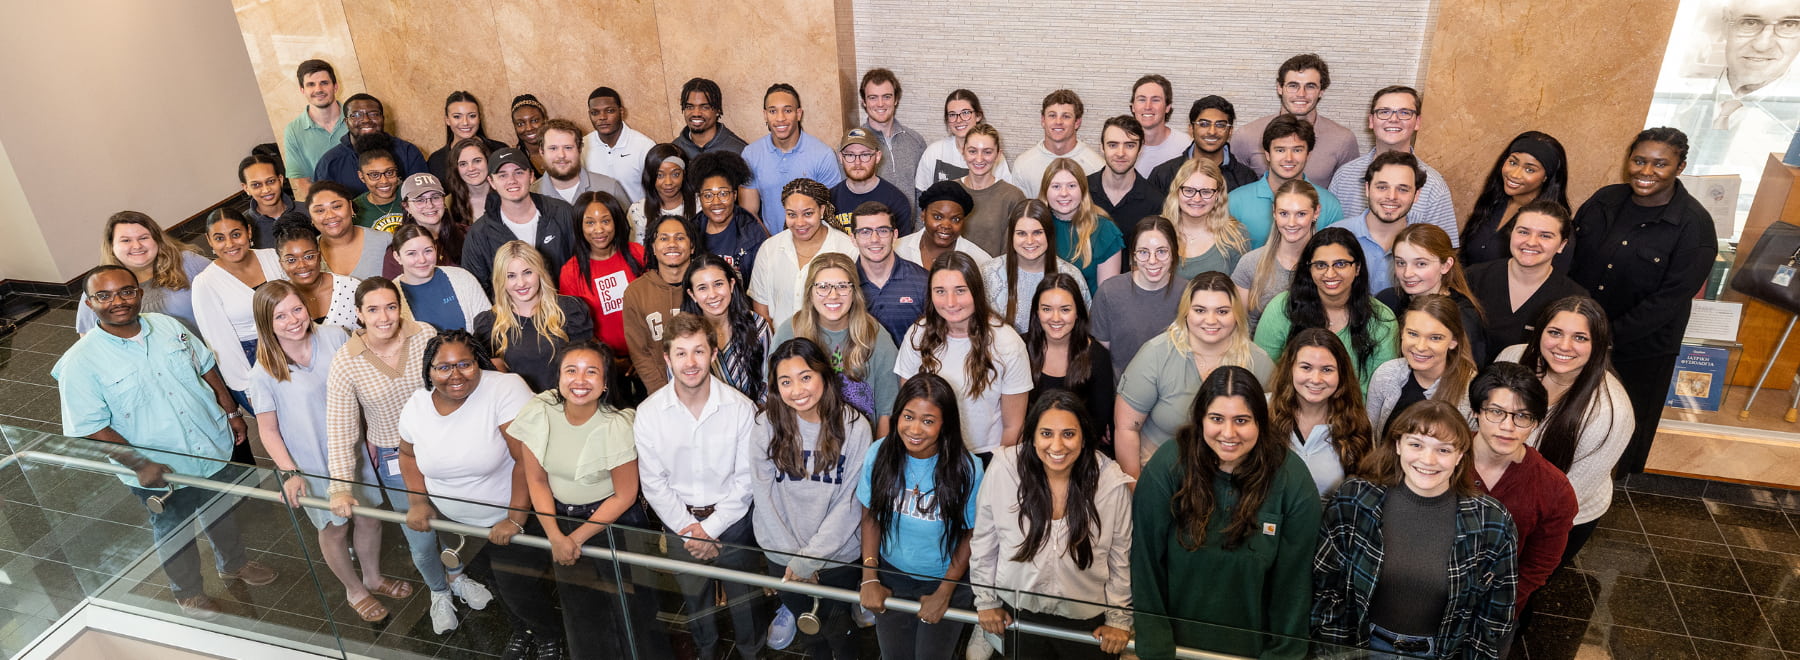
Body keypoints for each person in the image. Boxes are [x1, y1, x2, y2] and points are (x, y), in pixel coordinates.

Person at [56, 265, 276, 620]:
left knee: (221, 510)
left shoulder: (168, 326)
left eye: (126, 291)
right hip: (160, 470)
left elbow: (205, 366)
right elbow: (88, 426)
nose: (118, 302)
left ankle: (234, 564)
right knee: (174, 530)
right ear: (88, 303)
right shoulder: (79, 363)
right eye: (104, 295)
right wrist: (140, 464)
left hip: (210, 443)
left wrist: (231, 411)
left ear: (139, 293)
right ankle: (187, 593)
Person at [324, 278, 492, 635]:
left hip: (441, 445)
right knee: (419, 534)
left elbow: (450, 383)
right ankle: (439, 592)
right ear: (358, 314)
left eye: (390, 306)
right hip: (393, 456)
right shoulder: (346, 362)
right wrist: (339, 486)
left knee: (450, 519)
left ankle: (458, 576)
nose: (384, 317)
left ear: (400, 306)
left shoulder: (425, 335)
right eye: (372, 309)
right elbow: (340, 429)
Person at [1132, 366, 1320, 658]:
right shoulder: (1168, 466)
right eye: (1216, 419)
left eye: (1242, 420)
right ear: (1200, 419)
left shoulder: (1292, 479)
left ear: (1260, 421)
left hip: (1254, 653)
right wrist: (1156, 650)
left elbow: (1294, 588)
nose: (1228, 433)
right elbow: (1146, 565)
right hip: (1176, 650)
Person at [247, 280, 404, 623]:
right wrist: (290, 473)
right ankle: (354, 589)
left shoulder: (335, 337)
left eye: (297, 309)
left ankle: (373, 576)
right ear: (266, 324)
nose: (293, 320)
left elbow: (368, 384)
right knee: (334, 527)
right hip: (312, 462)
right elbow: (268, 431)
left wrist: (374, 434)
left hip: (352, 449)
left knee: (369, 515)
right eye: (280, 316)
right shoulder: (263, 372)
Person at [398, 330, 561, 658]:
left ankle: (549, 635)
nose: (454, 374)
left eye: (464, 364)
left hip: (511, 517)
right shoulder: (417, 405)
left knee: (518, 588)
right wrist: (417, 501)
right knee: (496, 586)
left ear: (479, 362)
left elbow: (526, 460)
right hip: (458, 526)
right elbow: (408, 455)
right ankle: (523, 629)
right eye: (443, 367)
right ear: (428, 370)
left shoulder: (504, 388)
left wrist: (515, 519)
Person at [1313, 401, 1519, 659]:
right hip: (1360, 646)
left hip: (1441, 652)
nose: (1428, 460)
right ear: (1398, 445)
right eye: (1416, 445)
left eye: (1443, 450)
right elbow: (1326, 585)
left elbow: (1495, 616)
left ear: (1460, 456)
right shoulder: (1355, 499)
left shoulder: (1492, 520)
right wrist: (1333, 652)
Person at [1569, 128, 1715, 475]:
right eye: (1639, 160)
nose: (1645, 171)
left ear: (1680, 167)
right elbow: (1571, 260)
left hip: (1640, 353)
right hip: (1579, 338)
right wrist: (1577, 328)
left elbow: (1668, 301)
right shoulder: (1605, 200)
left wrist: (1605, 337)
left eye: (1660, 164)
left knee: (1618, 440)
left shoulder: (1694, 226)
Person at [516, 341, 670, 659]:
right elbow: (537, 480)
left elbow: (625, 494)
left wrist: (575, 538)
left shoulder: (618, 423)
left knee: (634, 608)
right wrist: (556, 536)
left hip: (616, 521)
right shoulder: (540, 410)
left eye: (591, 372)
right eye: (571, 370)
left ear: (604, 383)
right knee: (581, 610)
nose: (580, 380)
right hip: (560, 518)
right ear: (558, 377)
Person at [634, 314, 765, 660]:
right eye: (680, 353)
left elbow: (746, 482)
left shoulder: (740, 409)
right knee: (695, 604)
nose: (690, 363)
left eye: (698, 351)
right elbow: (653, 484)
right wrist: (691, 532)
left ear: (713, 353)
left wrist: (709, 530)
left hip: (733, 525)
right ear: (667, 358)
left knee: (745, 604)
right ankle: (705, 653)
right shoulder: (648, 414)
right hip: (680, 525)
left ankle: (752, 654)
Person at [973, 391, 1135, 660]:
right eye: (1046, 433)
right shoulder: (1004, 469)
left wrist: (1119, 619)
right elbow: (984, 542)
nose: (1057, 446)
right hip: (1019, 613)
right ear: (1033, 437)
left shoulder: (1110, 482)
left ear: (1084, 438)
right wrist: (986, 601)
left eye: (1068, 434)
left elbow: (1121, 557)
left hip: (1087, 620)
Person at [753, 337, 875, 659]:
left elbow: (850, 504)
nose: (798, 390)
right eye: (786, 381)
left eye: (806, 377)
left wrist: (809, 560)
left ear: (824, 375)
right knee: (810, 636)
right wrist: (795, 558)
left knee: (840, 634)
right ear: (776, 387)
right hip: (782, 552)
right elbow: (762, 493)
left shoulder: (855, 427)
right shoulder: (765, 424)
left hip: (836, 556)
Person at [1495, 297, 1634, 564]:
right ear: (1539, 332)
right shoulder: (1512, 358)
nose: (1564, 346)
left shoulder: (1609, 412)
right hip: (1497, 494)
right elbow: (1475, 422)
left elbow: (1569, 496)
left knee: (1518, 591)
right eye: (1555, 333)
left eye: (1580, 338)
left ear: (1599, 346)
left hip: (1560, 517)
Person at [857, 374, 984, 660]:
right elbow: (871, 515)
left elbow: (970, 533)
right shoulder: (879, 454)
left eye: (928, 421)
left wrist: (946, 591)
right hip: (892, 574)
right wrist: (869, 576)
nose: (915, 429)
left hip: (945, 578)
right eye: (908, 416)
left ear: (945, 424)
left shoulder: (968, 468)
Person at [1116, 272, 1275, 477]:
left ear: (1236, 314)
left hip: (1231, 477)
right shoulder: (1155, 354)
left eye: (1222, 311)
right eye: (1200, 310)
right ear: (1186, 313)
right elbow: (1126, 428)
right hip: (1163, 472)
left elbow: (1269, 430)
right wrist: (1134, 488)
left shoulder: (1258, 362)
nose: (1211, 320)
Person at [897, 252, 1033, 461]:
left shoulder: (1007, 343)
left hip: (986, 455)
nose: (950, 302)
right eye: (940, 291)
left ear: (976, 291)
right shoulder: (918, 334)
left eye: (960, 290)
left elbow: (1014, 426)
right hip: (930, 452)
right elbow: (909, 408)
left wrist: (998, 471)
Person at [1466, 363, 1577, 614]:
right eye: (1496, 412)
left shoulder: (1555, 489)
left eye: (1522, 416)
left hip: (1495, 612)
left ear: (1536, 422)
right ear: (1476, 411)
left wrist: (1497, 607)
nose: (1508, 426)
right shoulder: (1440, 460)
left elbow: (1538, 566)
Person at [1254, 227, 1398, 392]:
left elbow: (1379, 391)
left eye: (1340, 264)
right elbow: (1262, 377)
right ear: (1309, 269)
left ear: (1357, 268)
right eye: (1321, 265)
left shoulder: (1382, 319)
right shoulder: (1281, 308)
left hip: (1354, 414)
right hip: (1288, 410)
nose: (1330, 273)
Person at [773, 253, 900, 435]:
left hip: (860, 444)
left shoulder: (875, 335)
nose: (833, 295)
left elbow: (887, 411)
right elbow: (774, 397)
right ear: (810, 292)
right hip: (800, 441)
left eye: (842, 286)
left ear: (854, 292)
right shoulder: (789, 331)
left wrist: (876, 459)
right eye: (823, 287)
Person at [1328, 86, 1459, 244]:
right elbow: (1326, 240)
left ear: (1417, 122)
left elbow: (1444, 249)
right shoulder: (1344, 176)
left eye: (1404, 112)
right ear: (1371, 120)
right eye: (1384, 111)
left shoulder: (1434, 185)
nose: (1393, 119)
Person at [192, 208, 285, 423]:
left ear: (249, 232)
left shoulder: (272, 256)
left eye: (236, 234)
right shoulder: (206, 283)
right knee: (285, 430)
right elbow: (220, 343)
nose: (230, 244)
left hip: (294, 345)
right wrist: (248, 389)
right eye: (219, 238)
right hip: (253, 360)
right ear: (209, 241)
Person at [1467, 199, 1590, 352]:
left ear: (1562, 245)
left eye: (1545, 236)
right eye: (1523, 232)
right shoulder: (1473, 278)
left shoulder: (1574, 298)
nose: (1531, 242)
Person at [473, 241, 595, 392]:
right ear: (500, 280)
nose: (521, 283)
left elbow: (588, 366)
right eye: (511, 276)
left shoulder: (569, 310)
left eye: (528, 272)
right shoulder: (489, 323)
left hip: (568, 405)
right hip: (520, 411)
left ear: (540, 272)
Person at [1267, 328, 1372, 496]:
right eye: (1306, 367)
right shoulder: (1263, 410)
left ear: (1341, 374)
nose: (1316, 379)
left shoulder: (1356, 423)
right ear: (1290, 369)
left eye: (1327, 370)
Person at [463, 147, 580, 294]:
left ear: (531, 176)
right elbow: (477, 291)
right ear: (491, 182)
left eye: (518, 173)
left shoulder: (562, 213)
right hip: (512, 315)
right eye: (502, 175)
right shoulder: (479, 234)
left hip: (566, 309)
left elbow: (584, 264)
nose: (512, 181)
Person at [1230, 54, 1361, 182]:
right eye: (1293, 86)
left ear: (1321, 91)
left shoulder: (1343, 140)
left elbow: (1346, 194)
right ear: (1279, 88)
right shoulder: (1246, 136)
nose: (1301, 94)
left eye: (1310, 86)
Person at [76, 211, 209, 335]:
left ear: (157, 240)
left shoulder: (188, 262)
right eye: (126, 240)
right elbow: (89, 340)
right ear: (111, 246)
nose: (137, 246)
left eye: (143, 238)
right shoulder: (98, 286)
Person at [1365, 294, 1478, 434]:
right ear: (1402, 333)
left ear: (1453, 341)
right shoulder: (1386, 374)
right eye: (1413, 334)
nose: (1421, 346)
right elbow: (1369, 437)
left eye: (1435, 338)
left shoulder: (1470, 391)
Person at [1025, 273, 1116, 448]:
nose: (1056, 318)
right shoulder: (1020, 348)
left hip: (1079, 449)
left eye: (1065, 309)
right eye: (1046, 309)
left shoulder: (1097, 357)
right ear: (1037, 313)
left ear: (1077, 313)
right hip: (1030, 447)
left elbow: (1096, 423)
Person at [1227, 114, 1345, 248]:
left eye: (1297, 150)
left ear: (1308, 154)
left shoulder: (1329, 204)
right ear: (1267, 154)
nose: (1289, 158)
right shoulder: (1235, 202)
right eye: (1280, 150)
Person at [751, 178, 858, 324]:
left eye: (808, 214)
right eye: (792, 214)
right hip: (780, 345)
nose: (800, 223)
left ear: (822, 210)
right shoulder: (769, 249)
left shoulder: (847, 250)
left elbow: (855, 310)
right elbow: (761, 307)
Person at [1378, 223, 1489, 364]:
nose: (1407, 273)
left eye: (1421, 264)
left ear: (1446, 265)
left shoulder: (1461, 315)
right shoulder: (1387, 301)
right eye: (1401, 263)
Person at [1459, 131, 1572, 269]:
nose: (1514, 174)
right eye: (1513, 162)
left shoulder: (1554, 226)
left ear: (1546, 177)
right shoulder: (1493, 201)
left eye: (1530, 170)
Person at [1091, 216, 1188, 376]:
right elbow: (1102, 354)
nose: (1152, 260)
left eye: (1162, 251)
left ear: (1174, 253)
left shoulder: (1188, 293)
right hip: (1121, 392)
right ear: (1133, 255)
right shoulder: (1109, 292)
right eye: (1143, 252)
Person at [743, 83, 844, 234]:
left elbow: (831, 210)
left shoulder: (823, 154)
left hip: (815, 245)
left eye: (787, 110)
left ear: (799, 114)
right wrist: (770, 245)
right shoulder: (751, 154)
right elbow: (749, 212)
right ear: (765, 115)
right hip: (770, 243)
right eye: (773, 111)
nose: (780, 118)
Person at [560, 190, 650, 357]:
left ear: (616, 221)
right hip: (605, 361)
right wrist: (610, 362)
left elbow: (656, 306)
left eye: (606, 221)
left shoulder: (638, 253)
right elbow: (575, 329)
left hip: (650, 353)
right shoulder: (570, 272)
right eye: (590, 223)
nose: (599, 229)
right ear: (579, 226)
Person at [1330, 150, 1434, 295]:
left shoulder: (1428, 244)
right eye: (1382, 187)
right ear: (1367, 189)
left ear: (1416, 195)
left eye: (1403, 189)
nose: (1391, 196)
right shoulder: (1332, 237)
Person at [980, 199, 1089, 332]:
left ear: (1049, 234)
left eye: (1037, 232)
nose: (1030, 241)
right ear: (1011, 236)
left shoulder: (1071, 275)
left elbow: (1084, 329)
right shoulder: (988, 273)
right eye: (1021, 233)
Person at [685, 252, 772, 402]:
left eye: (718, 284)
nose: (712, 295)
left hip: (756, 418)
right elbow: (679, 391)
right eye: (702, 288)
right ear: (692, 294)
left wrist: (754, 416)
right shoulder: (682, 336)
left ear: (731, 285)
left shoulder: (757, 325)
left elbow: (771, 381)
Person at [623, 215, 695, 392]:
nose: (672, 244)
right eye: (663, 238)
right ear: (653, 247)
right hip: (661, 393)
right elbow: (640, 353)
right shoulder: (636, 292)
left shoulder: (706, 285)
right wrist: (662, 394)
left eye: (680, 238)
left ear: (692, 246)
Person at [1231, 180, 1317, 327]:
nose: (1291, 223)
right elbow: (1237, 325)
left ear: (1316, 212)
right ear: (1274, 212)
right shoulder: (1250, 263)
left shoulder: (1327, 267)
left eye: (1301, 214)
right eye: (1284, 213)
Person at [312, 93, 428, 195]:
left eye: (373, 114)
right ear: (346, 122)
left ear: (383, 119)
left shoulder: (407, 152)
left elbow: (424, 195)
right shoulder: (329, 163)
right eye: (356, 115)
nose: (366, 120)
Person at [1149, 95, 1259, 197]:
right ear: (1191, 129)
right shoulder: (1164, 174)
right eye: (1204, 124)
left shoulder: (1246, 178)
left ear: (1230, 131)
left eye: (1220, 125)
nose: (1212, 131)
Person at [915, 89, 1016, 197]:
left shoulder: (992, 156)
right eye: (952, 114)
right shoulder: (934, 152)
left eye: (966, 113)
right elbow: (921, 196)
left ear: (978, 116)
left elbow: (1006, 196)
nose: (959, 120)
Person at [1042, 159, 1124, 292]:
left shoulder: (1104, 230)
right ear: (1045, 190)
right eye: (1056, 186)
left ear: (1083, 189)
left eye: (1071, 186)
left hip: (1089, 311)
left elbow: (1106, 297)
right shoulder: (1035, 227)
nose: (1064, 193)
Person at [853, 201, 931, 342]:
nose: (875, 239)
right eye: (865, 232)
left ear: (894, 235)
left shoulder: (923, 282)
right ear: (853, 238)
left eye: (883, 231)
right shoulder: (845, 284)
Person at [389, 223, 486, 332]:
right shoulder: (389, 294)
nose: (422, 260)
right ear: (397, 257)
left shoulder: (462, 278)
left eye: (428, 251)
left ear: (436, 249)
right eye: (412, 254)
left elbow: (488, 326)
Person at [689, 150, 771, 278]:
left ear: (734, 195)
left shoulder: (752, 233)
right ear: (700, 198)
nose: (716, 202)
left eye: (723, 194)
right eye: (708, 195)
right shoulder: (690, 231)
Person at [1162, 158, 1248, 279]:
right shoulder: (1156, 231)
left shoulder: (1236, 235)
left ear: (1218, 194)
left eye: (1206, 192)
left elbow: (1239, 292)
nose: (1197, 199)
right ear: (1177, 191)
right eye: (1189, 190)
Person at [1011, 89, 1105, 198]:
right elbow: (1021, 211)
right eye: (1052, 115)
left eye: (1066, 116)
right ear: (1043, 120)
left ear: (1077, 122)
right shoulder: (1023, 165)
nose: (1058, 122)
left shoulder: (1097, 166)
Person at [271, 219, 361, 329]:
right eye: (291, 260)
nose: (302, 265)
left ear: (319, 256)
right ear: (281, 264)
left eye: (309, 257)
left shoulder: (352, 287)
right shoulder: (276, 299)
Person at [1090, 116, 1164, 244]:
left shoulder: (1156, 202)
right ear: (1102, 147)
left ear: (1140, 149)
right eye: (1113, 145)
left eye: (1129, 145)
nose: (1120, 153)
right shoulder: (1081, 191)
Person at [382, 172, 470, 279]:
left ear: (443, 200)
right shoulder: (397, 250)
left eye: (435, 197)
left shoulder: (468, 234)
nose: (430, 205)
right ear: (406, 207)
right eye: (420, 200)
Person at [957, 123, 1027, 257]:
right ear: (963, 151)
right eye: (972, 151)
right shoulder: (950, 191)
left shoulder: (1012, 197)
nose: (979, 158)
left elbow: (1012, 252)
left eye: (987, 152)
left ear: (998, 155)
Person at [831, 128, 915, 234]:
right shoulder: (830, 199)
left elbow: (901, 246)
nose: (857, 162)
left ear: (878, 156)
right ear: (840, 158)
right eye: (850, 155)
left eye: (865, 155)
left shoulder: (896, 201)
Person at [859, 68, 929, 194]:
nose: (880, 104)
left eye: (886, 97)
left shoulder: (916, 141)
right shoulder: (852, 146)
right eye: (873, 97)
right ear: (864, 102)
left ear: (896, 100)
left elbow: (922, 192)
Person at [282, 59, 345, 199]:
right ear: (302, 90)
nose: (318, 90)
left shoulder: (355, 118)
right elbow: (302, 181)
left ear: (335, 86)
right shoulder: (293, 131)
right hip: (329, 207)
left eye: (324, 83)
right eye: (311, 84)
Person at [582, 87, 657, 202]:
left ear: (622, 112)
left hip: (638, 219)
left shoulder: (644, 146)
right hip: (599, 218)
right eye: (595, 113)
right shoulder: (582, 147)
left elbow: (657, 193)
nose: (602, 117)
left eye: (609, 111)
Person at [308, 181, 394, 279]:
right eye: (320, 210)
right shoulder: (305, 253)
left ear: (351, 207)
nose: (330, 215)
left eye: (337, 206)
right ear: (311, 217)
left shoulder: (385, 241)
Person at [897, 180, 993, 267]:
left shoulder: (980, 261)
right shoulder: (897, 249)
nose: (946, 226)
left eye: (955, 219)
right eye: (938, 217)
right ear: (923, 215)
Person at [538, 118, 632, 206]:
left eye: (568, 148)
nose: (561, 155)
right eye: (553, 148)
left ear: (579, 149)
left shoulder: (610, 188)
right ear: (542, 152)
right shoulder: (531, 194)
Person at [425, 91, 509, 183]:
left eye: (472, 116)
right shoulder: (436, 161)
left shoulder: (500, 150)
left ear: (479, 118)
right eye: (457, 117)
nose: (465, 122)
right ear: (447, 120)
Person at [240, 153, 311, 248]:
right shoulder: (242, 225)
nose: (266, 190)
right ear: (246, 188)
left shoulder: (308, 210)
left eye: (270, 181)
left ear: (280, 180)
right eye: (256, 185)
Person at [629, 143, 695, 243]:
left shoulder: (701, 204)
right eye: (660, 175)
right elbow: (639, 252)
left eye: (675, 174)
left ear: (684, 174)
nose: (668, 182)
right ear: (650, 177)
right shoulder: (638, 210)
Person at [1129, 74, 1193, 176]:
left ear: (1167, 107)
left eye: (1155, 100)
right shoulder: (1121, 146)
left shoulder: (1187, 146)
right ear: (1133, 107)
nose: (1148, 106)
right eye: (1142, 99)